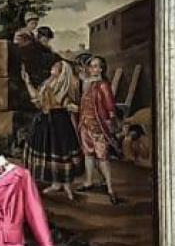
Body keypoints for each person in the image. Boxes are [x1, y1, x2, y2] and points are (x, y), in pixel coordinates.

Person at [25, 59, 81, 199]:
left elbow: (68, 104)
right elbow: (38, 101)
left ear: (62, 71)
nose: (52, 68)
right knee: (51, 152)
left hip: (60, 123)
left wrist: (68, 106)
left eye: (56, 67)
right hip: (45, 123)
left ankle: (67, 185)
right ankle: (56, 184)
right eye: (53, 66)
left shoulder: (66, 85)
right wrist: (27, 82)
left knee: (62, 152)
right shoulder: (47, 83)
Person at [75, 56, 121, 204]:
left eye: (96, 66)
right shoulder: (87, 84)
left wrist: (110, 123)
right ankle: (88, 181)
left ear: (101, 69)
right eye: (91, 66)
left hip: (98, 125)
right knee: (88, 154)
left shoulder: (103, 85)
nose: (92, 69)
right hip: (85, 124)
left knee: (102, 156)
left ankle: (110, 188)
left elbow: (110, 106)